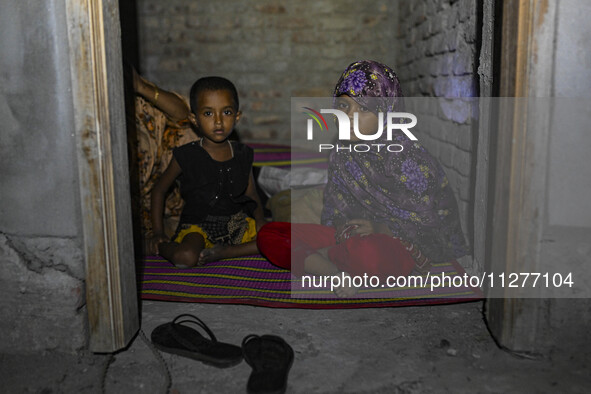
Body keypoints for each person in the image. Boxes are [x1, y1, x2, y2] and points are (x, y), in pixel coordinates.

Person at [256, 60, 467, 297]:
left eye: (364, 109)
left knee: (369, 256)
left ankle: (318, 261)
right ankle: (334, 273)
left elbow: (431, 227)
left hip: (396, 243)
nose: (350, 118)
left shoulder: (408, 157)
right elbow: (335, 207)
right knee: (269, 234)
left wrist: (380, 228)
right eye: (344, 107)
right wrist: (342, 227)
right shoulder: (341, 152)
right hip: (352, 236)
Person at [149, 76, 267, 267]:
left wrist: (260, 220)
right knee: (185, 257)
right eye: (208, 114)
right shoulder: (186, 156)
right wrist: (158, 233)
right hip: (198, 227)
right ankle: (161, 247)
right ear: (194, 119)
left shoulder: (242, 154)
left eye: (226, 112)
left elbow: (250, 193)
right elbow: (159, 190)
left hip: (236, 224)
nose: (219, 122)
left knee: (282, 240)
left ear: (237, 116)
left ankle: (226, 252)